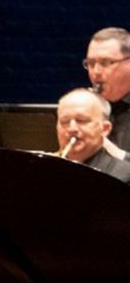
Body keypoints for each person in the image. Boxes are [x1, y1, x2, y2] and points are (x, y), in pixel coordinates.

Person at [54, 88, 130, 182]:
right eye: (64, 122)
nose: (72, 128)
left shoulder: (125, 176)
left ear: (105, 129)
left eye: (81, 120)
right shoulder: (45, 172)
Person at [84, 28, 130, 160]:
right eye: (91, 64)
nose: (96, 71)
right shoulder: (90, 108)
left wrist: (117, 154)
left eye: (105, 63)